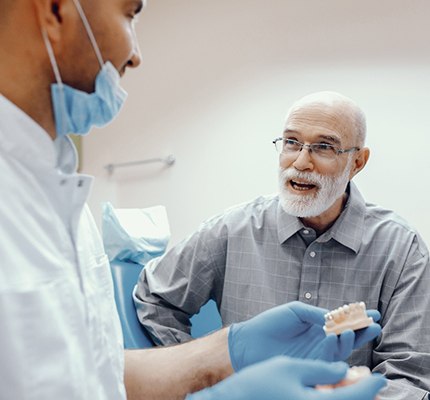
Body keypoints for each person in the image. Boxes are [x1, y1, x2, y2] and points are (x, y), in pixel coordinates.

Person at [0, 1, 386, 399]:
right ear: (56, 9)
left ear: (357, 162)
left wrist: (225, 351)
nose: (135, 55)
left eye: (324, 146)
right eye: (129, 13)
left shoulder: (59, 192)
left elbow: (95, 376)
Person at [134, 90, 430, 399]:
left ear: (357, 162)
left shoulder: (402, 250)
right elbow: (154, 299)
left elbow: (408, 376)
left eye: (323, 147)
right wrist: (201, 380)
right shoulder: (232, 230)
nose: (301, 162)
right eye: (291, 142)